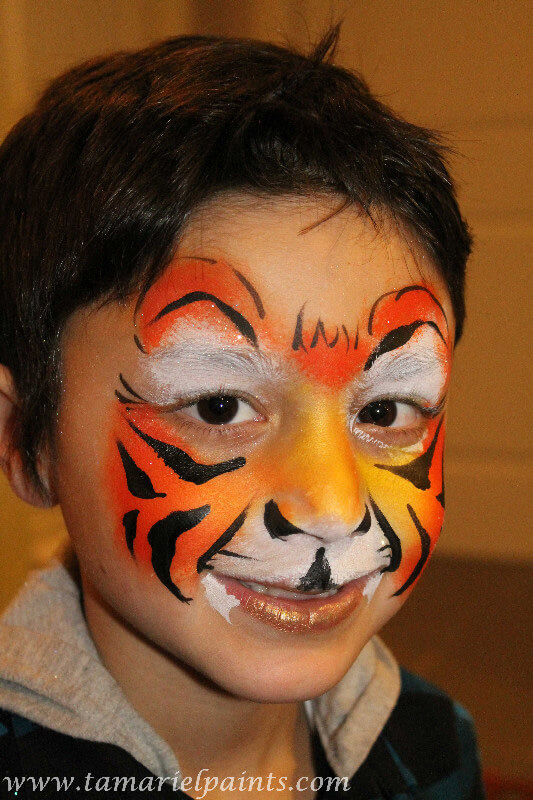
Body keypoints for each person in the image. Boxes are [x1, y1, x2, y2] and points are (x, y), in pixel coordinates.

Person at [0, 26, 484, 799]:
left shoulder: (430, 745)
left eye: (386, 407)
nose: (331, 506)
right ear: (25, 443)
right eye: (219, 404)